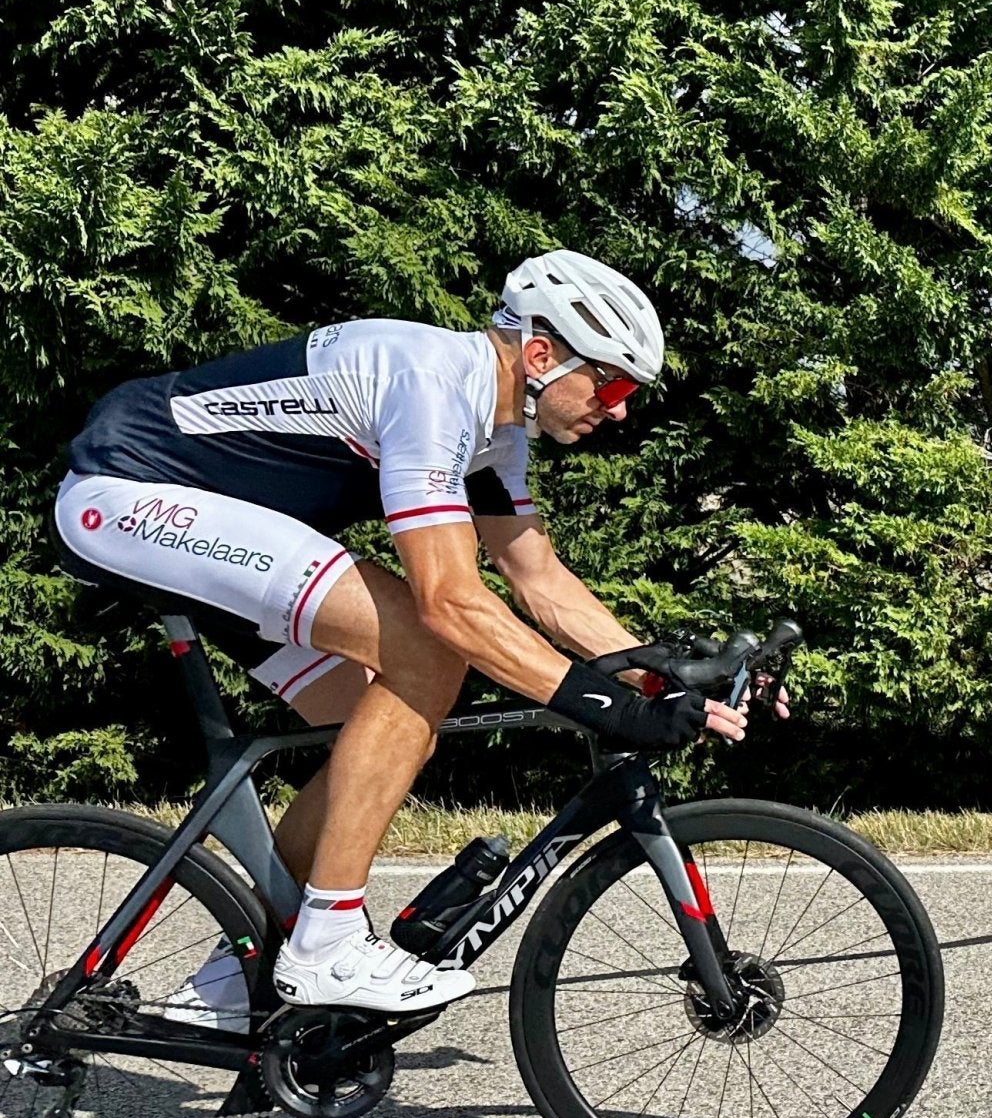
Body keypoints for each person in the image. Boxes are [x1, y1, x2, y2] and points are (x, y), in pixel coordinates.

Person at [50, 250, 780, 1018]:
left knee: (390, 728)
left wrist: (658, 675)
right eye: (614, 383)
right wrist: (610, 708)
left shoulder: (498, 435)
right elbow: (450, 603)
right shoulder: (430, 385)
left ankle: (236, 983)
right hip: (126, 493)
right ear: (540, 354)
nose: (623, 408)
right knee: (428, 648)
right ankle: (327, 945)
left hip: (212, 525)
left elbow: (539, 580)